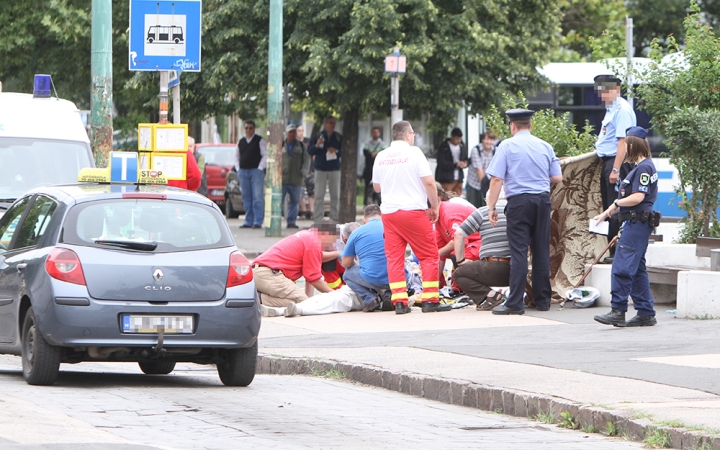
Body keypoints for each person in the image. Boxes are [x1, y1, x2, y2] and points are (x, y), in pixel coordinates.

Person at [486, 109, 563, 315]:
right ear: (530, 125)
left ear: (512, 126)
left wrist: (491, 207)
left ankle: (514, 303)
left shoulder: (507, 146)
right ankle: (542, 300)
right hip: (542, 201)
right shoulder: (545, 146)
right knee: (541, 251)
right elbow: (557, 177)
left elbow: (496, 179)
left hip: (519, 203)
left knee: (519, 252)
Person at [373, 120, 448, 314]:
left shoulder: (381, 156)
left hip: (389, 214)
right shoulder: (414, 153)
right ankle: (430, 299)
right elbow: (430, 183)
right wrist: (435, 206)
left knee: (395, 258)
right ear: (408, 135)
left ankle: (400, 302)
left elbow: (377, 187)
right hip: (413, 212)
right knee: (429, 254)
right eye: (413, 134)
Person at [593, 126, 659, 327]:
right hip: (635, 222)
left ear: (633, 145)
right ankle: (646, 312)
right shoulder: (641, 167)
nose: (622, 149)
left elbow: (638, 197)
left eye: (625, 145)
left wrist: (615, 204)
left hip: (637, 223)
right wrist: (608, 212)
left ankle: (618, 310)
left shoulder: (644, 168)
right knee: (637, 269)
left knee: (622, 266)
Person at [594, 74, 637, 262]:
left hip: (617, 163)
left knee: (617, 206)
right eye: (601, 91)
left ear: (617, 90)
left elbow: (623, 143)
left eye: (607, 91)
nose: (603, 95)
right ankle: (612, 250)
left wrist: (615, 169)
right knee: (608, 206)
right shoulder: (611, 109)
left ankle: (619, 250)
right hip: (609, 162)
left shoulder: (622, 110)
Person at [252, 222, 339, 315]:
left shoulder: (307, 236)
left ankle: (260, 298)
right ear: (326, 234)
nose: (331, 246)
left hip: (260, 272)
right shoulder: (314, 243)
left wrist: (338, 253)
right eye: (333, 241)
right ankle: (259, 299)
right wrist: (335, 295)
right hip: (269, 274)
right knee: (302, 303)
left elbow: (311, 270)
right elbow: (313, 278)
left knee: (306, 302)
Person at [453, 193, 511, 310]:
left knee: (459, 274)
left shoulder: (483, 212)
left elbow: (458, 234)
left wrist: (461, 261)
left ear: (489, 199)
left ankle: (492, 296)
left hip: (493, 268)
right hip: (520, 269)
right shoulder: (517, 211)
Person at [340, 205, 391, 312]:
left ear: (364, 220)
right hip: (396, 278)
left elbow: (346, 263)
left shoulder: (356, 233)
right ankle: (389, 295)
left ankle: (371, 299)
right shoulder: (392, 227)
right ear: (382, 216)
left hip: (372, 278)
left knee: (347, 274)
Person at [435, 189, 480, 289]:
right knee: (437, 256)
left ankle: (469, 288)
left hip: (479, 242)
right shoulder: (438, 218)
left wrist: (437, 254)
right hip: (468, 243)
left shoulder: (449, 213)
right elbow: (440, 253)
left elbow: (460, 240)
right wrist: (434, 283)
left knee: (456, 254)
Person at [308, 116, 342, 222]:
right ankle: (318, 219)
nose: (333, 125)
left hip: (334, 168)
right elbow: (310, 151)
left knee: (335, 195)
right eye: (331, 122)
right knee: (319, 195)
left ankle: (334, 219)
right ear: (325, 124)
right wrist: (317, 145)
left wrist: (335, 151)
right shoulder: (318, 136)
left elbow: (343, 151)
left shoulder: (338, 137)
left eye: (334, 123)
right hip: (320, 168)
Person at [235, 119, 267, 229]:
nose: (248, 130)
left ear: (254, 129)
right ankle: (248, 220)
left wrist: (260, 168)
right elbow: (236, 156)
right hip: (243, 172)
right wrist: (238, 169)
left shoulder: (259, 140)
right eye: (246, 128)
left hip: (256, 171)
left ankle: (258, 221)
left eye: (250, 128)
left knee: (257, 197)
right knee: (246, 197)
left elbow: (265, 155)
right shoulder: (241, 142)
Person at [281, 124, 311, 229]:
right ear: (286, 133)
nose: (292, 134)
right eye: (290, 132)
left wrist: (303, 171)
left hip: (296, 179)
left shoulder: (301, 146)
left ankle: (291, 221)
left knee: (295, 201)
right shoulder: (280, 145)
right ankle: (276, 221)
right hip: (282, 179)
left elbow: (307, 159)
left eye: (294, 132)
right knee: (278, 200)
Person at [434, 127, 468, 197]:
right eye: (456, 139)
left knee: (458, 197)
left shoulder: (462, 146)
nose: (458, 141)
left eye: (460, 139)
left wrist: (465, 163)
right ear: (452, 137)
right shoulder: (444, 147)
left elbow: (465, 158)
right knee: (446, 196)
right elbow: (441, 162)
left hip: (459, 178)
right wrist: (455, 165)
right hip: (446, 178)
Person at [466, 131, 496, 207]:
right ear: (482, 140)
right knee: (473, 208)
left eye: (491, 140)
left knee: (486, 209)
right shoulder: (476, 150)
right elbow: (479, 170)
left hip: (488, 183)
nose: (488, 142)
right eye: (487, 139)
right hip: (474, 184)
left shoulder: (496, 150)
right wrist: (485, 188)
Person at [362, 127, 387, 206]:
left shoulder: (382, 144)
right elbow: (365, 152)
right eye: (374, 132)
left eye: (377, 132)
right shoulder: (367, 143)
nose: (375, 134)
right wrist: (371, 154)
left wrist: (375, 154)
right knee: (367, 186)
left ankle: (379, 202)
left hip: (379, 168)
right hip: (369, 168)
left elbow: (384, 152)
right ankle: (366, 203)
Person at [297, 125, 314, 220]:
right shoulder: (295, 143)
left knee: (311, 192)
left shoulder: (308, 141)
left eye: (302, 130)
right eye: (299, 131)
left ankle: (311, 211)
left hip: (310, 169)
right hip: (299, 171)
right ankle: (303, 211)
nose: (301, 132)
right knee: (300, 192)